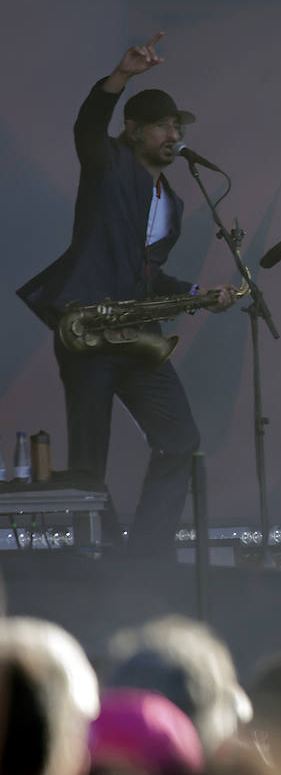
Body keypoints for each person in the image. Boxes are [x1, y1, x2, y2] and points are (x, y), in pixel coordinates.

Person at [15, 32, 235, 555]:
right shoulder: (108, 164)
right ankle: (102, 552)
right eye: (162, 124)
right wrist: (120, 78)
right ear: (133, 132)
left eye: (177, 125)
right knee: (91, 458)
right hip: (88, 328)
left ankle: (147, 554)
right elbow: (87, 126)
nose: (173, 132)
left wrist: (201, 293)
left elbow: (148, 274)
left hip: (138, 332)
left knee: (180, 438)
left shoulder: (174, 202)